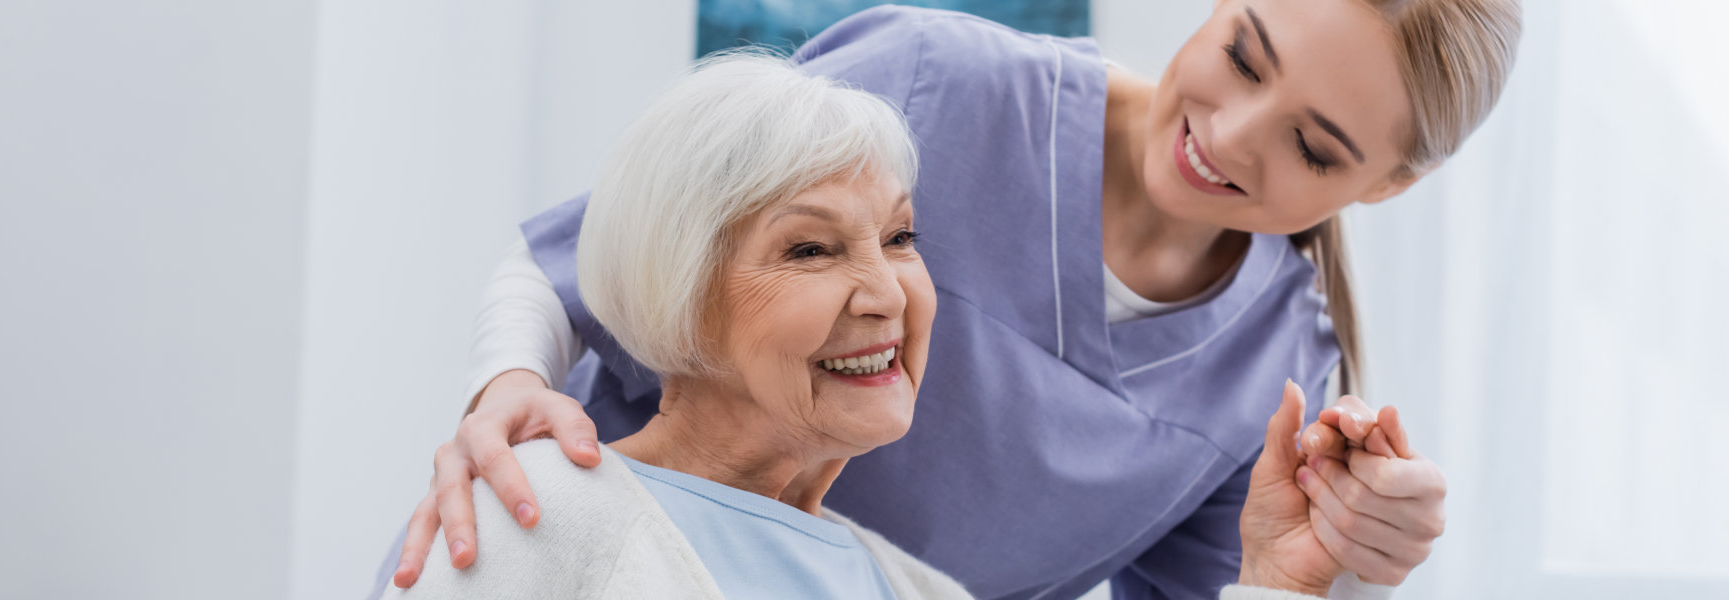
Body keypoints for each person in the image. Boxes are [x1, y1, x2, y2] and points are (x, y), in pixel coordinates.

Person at [381, 1, 1520, 598]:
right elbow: (588, 253)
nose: (1225, 135)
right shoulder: (943, 83)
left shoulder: (1273, 377)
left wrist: (1349, 569)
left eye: (1314, 148)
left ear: (1387, 185)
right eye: (1245, 55)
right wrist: (509, 394)